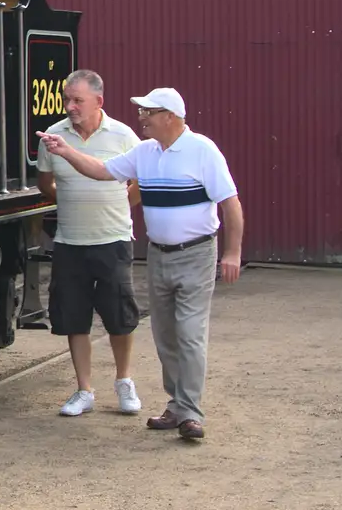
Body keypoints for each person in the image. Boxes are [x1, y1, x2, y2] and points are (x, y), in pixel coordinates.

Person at [37, 87, 242, 441]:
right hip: (159, 255)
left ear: (170, 117)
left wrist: (233, 254)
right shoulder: (144, 152)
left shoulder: (202, 150)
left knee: (189, 334)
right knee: (164, 336)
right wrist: (67, 151)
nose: (141, 117)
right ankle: (176, 406)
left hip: (196, 254)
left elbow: (231, 205)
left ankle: (190, 412)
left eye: (148, 112)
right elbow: (101, 171)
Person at [36, 70, 143, 417]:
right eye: (67, 99)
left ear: (99, 101)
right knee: (74, 317)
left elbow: (143, 179)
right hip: (70, 241)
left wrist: (121, 204)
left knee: (119, 316)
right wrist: (68, 201)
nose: (70, 106)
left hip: (112, 240)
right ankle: (84, 390)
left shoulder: (124, 136)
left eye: (77, 100)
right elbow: (45, 182)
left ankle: (124, 381)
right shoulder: (52, 136)